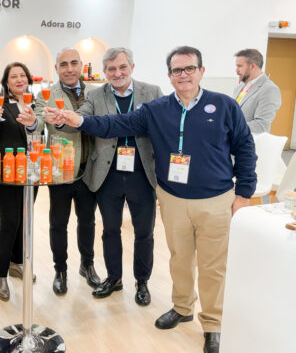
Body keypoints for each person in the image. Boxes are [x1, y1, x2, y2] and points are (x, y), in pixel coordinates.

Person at [48, 45, 257, 353]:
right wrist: (78, 121)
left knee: (212, 266)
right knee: (179, 258)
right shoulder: (157, 109)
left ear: (201, 71)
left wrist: (244, 194)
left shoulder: (224, 105)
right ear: (169, 75)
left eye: (189, 68)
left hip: (215, 199)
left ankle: (213, 324)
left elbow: (245, 148)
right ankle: (182, 307)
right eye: (176, 70)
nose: (183, 75)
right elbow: (114, 124)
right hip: (172, 197)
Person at [61, 48, 163, 305]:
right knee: (110, 230)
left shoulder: (152, 92)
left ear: (132, 67)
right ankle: (114, 278)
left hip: (142, 175)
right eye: (111, 69)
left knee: (144, 232)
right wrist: (64, 119)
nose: (117, 73)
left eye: (122, 67)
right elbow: (81, 117)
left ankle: (142, 281)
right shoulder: (96, 95)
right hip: (108, 175)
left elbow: (164, 128)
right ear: (104, 72)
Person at [32, 47, 100, 295]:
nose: (69, 69)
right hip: (60, 170)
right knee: (58, 223)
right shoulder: (46, 94)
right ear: (56, 68)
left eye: (73, 63)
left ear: (82, 65)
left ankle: (87, 265)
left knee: (88, 221)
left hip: (89, 169)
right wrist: (32, 123)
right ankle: (60, 270)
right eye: (63, 64)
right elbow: (38, 123)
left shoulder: (97, 92)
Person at [0, 62, 38, 301]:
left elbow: (40, 131)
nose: (19, 80)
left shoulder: (37, 102)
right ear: (6, 82)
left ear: (28, 79)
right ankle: (1, 275)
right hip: (4, 168)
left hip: (33, 167)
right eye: (13, 76)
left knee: (24, 219)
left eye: (22, 75)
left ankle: (17, 263)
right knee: (10, 221)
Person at [232, 48, 281, 133]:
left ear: (252, 66)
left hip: (249, 140)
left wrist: (230, 127)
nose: (236, 71)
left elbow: (261, 126)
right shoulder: (240, 86)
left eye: (240, 66)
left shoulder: (270, 89)